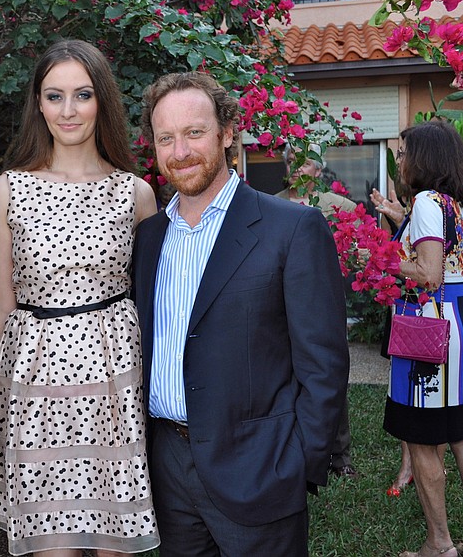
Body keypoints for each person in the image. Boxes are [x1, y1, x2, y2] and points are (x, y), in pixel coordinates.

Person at [133, 71, 350, 556]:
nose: (180, 151)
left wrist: (299, 462)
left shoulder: (292, 229)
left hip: (261, 469)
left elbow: (325, 364)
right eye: (166, 138)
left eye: (194, 133)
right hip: (167, 468)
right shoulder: (149, 237)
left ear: (227, 132)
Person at [0, 39, 160, 557]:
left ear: (101, 100)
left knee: (114, 545)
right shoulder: (7, 188)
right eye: (54, 95)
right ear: (37, 103)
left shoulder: (136, 192)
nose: (68, 110)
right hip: (35, 389)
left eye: (81, 95)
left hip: (114, 388)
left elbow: (153, 304)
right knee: (50, 547)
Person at [381, 121, 463, 557]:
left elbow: (428, 274)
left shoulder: (427, 202)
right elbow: (458, 264)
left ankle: (440, 544)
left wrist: (377, 259)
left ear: (424, 157)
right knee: (461, 432)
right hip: (462, 324)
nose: (400, 160)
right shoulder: (453, 203)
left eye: (404, 152)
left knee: (422, 438)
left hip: (428, 331)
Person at [277, 143, 359, 479]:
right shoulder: (272, 205)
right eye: (291, 162)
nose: (297, 168)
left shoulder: (340, 207)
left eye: (305, 162)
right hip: (282, 304)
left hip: (325, 303)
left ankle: (340, 455)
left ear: (319, 171)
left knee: (329, 375)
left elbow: (359, 254)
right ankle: (292, 448)